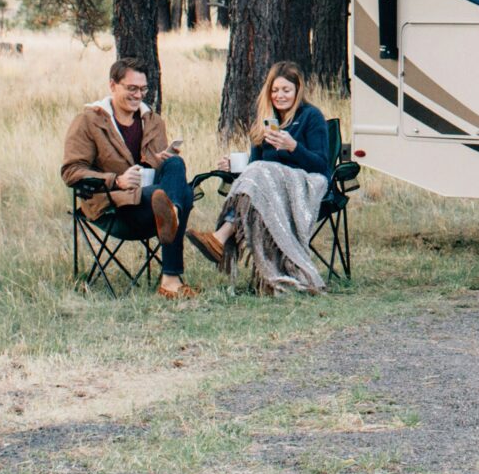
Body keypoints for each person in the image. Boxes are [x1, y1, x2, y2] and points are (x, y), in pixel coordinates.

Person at [62, 58, 224, 299]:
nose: (138, 95)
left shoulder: (153, 121)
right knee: (184, 193)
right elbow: (71, 171)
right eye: (132, 88)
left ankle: (173, 213)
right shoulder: (88, 121)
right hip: (115, 209)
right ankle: (171, 276)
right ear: (113, 85)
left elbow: (153, 169)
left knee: (175, 163)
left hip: (151, 205)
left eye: (143, 89)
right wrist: (115, 181)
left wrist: (157, 160)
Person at [212, 62, 334, 294]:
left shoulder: (311, 116)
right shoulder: (266, 120)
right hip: (269, 187)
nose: (280, 96)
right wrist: (233, 167)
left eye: (286, 90)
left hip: (303, 182)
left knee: (262, 172)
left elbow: (321, 165)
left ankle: (221, 237)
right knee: (258, 175)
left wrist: (293, 147)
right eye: (275, 90)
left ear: (298, 90)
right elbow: (254, 165)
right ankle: (265, 272)